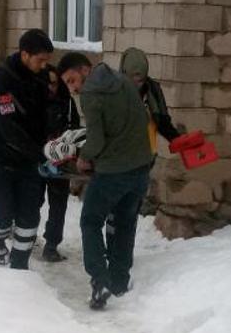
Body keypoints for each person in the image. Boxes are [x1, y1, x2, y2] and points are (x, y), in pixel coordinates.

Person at [57, 52, 152, 310]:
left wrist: (84, 158)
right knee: (125, 222)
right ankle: (120, 281)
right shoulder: (124, 82)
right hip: (141, 169)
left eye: (73, 79)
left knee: (90, 220)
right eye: (68, 84)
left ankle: (99, 280)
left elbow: (96, 140)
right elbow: (143, 120)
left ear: (86, 70)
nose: (74, 87)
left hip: (113, 172)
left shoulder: (91, 95)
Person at [0, 29, 54, 270]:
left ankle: (20, 265)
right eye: (40, 60)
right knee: (3, 214)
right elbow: (7, 126)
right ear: (24, 55)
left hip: (30, 159)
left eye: (47, 61)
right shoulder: (1, 81)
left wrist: (53, 140)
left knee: (30, 213)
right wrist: (40, 152)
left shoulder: (41, 78)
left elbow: (46, 114)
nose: (44, 66)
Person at [40, 65, 81, 262]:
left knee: (58, 204)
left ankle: (51, 244)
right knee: (32, 202)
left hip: (60, 161)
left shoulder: (68, 103)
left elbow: (74, 131)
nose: (50, 87)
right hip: (37, 159)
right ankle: (25, 235)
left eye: (54, 83)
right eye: (46, 83)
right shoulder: (33, 102)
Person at [119, 47, 181, 155]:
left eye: (140, 81)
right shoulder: (114, 89)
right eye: (132, 80)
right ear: (124, 73)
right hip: (121, 155)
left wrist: (179, 140)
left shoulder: (152, 90)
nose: (136, 85)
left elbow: (163, 121)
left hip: (147, 153)